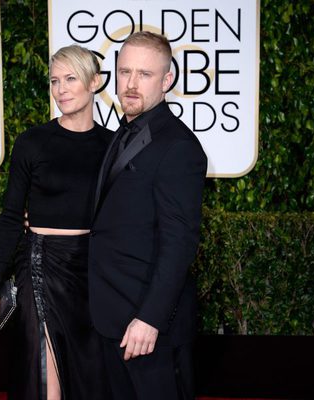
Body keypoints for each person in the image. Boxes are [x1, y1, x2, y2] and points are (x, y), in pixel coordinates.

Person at [0, 45, 112, 400]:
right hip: (40, 266)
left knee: (90, 372)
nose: (61, 89)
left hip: (90, 270)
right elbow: (11, 216)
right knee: (46, 374)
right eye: (55, 81)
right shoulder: (32, 142)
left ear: (94, 83)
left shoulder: (112, 145)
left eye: (71, 79)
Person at [88, 31, 208, 399]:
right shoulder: (120, 133)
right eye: (125, 72)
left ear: (167, 80)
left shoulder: (179, 146)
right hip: (111, 315)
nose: (132, 84)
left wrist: (150, 318)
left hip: (148, 327)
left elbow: (180, 241)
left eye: (145, 74)